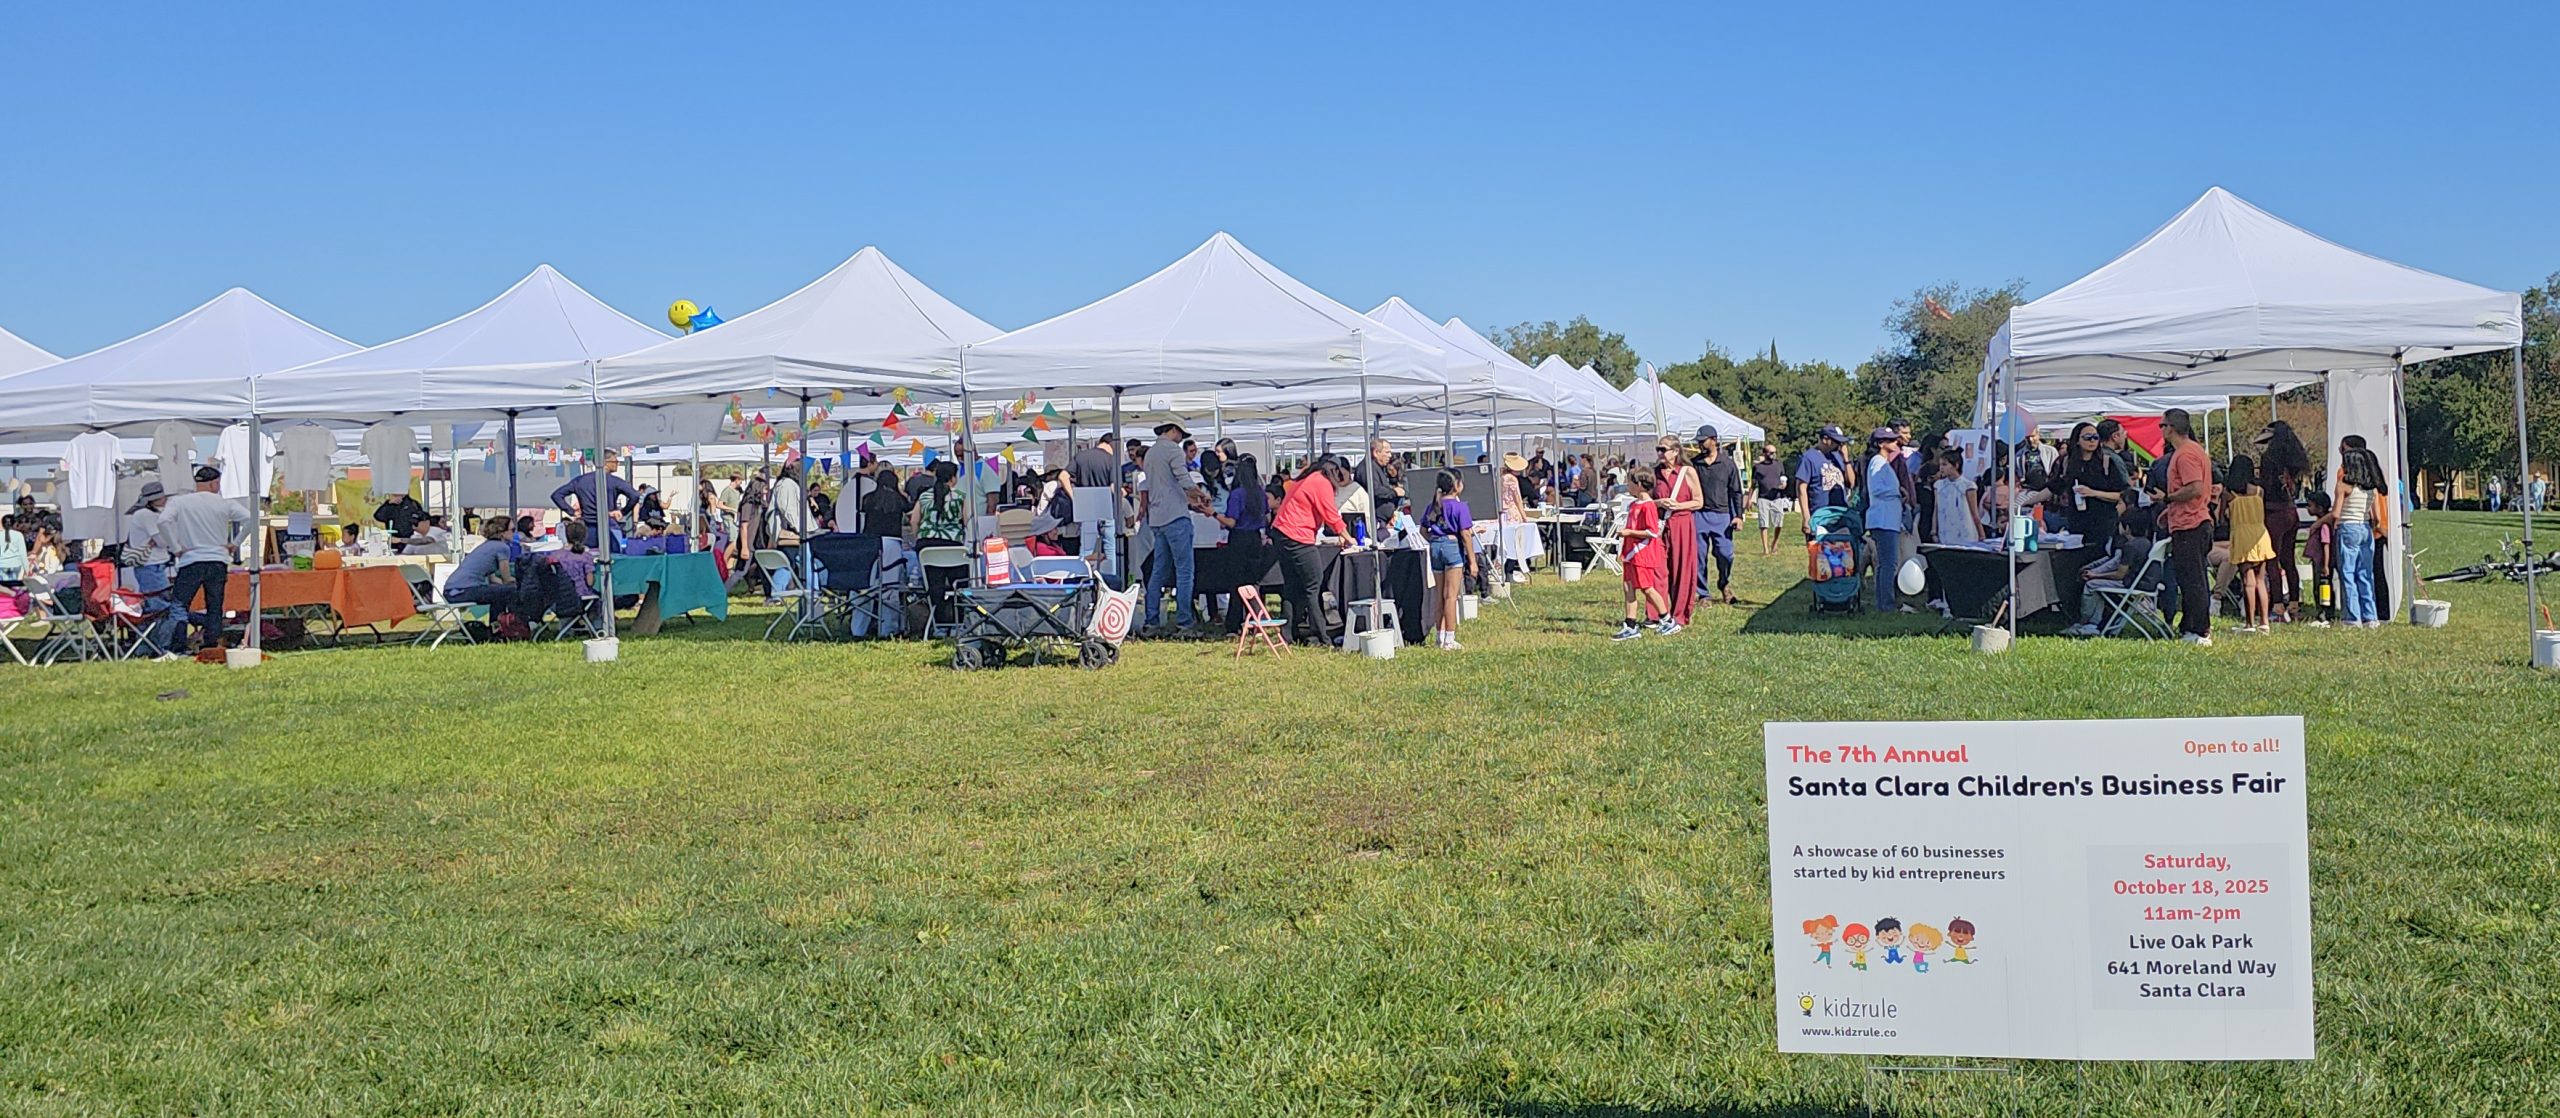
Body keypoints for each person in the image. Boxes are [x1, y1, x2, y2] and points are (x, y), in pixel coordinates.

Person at [155, 465, 254, 653]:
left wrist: (175, 547)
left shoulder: (180, 502)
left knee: (180, 604)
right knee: (214, 606)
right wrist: (235, 543)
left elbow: (163, 521)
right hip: (217, 559)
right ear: (215, 483)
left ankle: (178, 646)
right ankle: (211, 645)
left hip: (190, 558)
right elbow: (251, 518)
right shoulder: (225, 503)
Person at [1271, 456, 1354, 648]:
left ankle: (1289, 633)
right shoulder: (1321, 482)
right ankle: (1320, 637)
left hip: (1281, 534)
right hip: (1297, 536)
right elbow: (1330, 513)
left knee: (1292, 586)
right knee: (1313, 585)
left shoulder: (1306, 479)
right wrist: (1347, 536)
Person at [1136, 421, 1209, 637]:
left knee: (1158, 572)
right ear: (1174, 430)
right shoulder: (1173, 451)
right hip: (1176, 517)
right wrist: (1201, 496)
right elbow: (1184, 480)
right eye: (1180, 433)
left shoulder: (1150, 453)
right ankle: (1184, 623)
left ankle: (1152, 621)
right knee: (1185, 572)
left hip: (1157, 519)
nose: (1181, 438)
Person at [2159, 409, 2216, 645]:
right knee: (2192, 578)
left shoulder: (2185, 455)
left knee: (2193, 580)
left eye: (2162, 426)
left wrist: (2169, 498)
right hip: (2191, 520)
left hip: (2191, 524)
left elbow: (2194, 487)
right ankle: (2191, 626)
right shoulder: (2193, 450)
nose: (2161, 430)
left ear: (2171, 428)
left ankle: (2200, 630)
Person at [2333, 434, 2392, 629]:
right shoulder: (2371, 489)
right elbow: (2376, 517)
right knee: (2366, 573)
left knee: (2348, 573)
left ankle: (2352, 617)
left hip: (2347, 526)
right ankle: (2371, 616)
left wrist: (2335, 524)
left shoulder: (2344, 486)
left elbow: (2336, 513)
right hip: (2366, 528)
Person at [2254, 421, 2310, 623]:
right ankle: (2294, 603)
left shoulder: (2269, 457)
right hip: (2291, 511)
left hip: (2273, 512)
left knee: (2272, 560)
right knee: (2289, 560)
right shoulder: (2294, 459)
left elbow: (2266, 486)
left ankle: (2277, 606)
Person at [120, 482, 180, 657]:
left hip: (150, 566)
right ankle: (160, 647)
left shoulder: (144, 515)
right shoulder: (147, 515)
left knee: (154, 608)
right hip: (150, 566)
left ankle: (146, 647)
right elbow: (163, 541)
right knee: (159, 608)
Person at [1215, 453, 1272, 634]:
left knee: (1236, 584)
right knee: (1253, 582)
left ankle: (1234, 623)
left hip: (1239, 539)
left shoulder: (1237, 494)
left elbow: (1231, 522)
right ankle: (1256, 620)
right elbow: (1267, 517)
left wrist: (1214, 514)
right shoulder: (1260, 494)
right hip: (1255, 539)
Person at [1420, 470, 1476, 650]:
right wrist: (1472, 561)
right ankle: (1450, 640)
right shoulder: (1460, 507)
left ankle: (1440, 635)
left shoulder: (1433, 505)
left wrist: (1435, 540)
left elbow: (1423, 530)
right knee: (1451, 596)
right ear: (1456, 486)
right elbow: (1466, 534)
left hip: (1435, 547)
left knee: (1439, 595)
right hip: (1452, 548)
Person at [1613, 467, 1670, 641]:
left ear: (1638, 484)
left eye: (1629, 482)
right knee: (1628, 588)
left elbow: (1652, 532)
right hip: (1631, 553)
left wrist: (1629, 532)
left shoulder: (1648, 506)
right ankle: (1630, 625)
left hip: (1642, 553)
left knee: (1647, 588)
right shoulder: (1633, 504)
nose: (1627, 486)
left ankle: (1666, 619)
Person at [2052, 421, 2130, 545]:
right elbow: (2053, 487)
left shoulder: (2107, 462)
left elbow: (2121, 494)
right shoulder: (2068, 462)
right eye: (2087, 438)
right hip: (2076, 523)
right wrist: (2021, 502)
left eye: (2095, 437)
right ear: (2077, 440)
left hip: (2104, 524)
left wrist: (2092, 493)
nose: (2092, 441)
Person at [2222, 454, 2276, 634]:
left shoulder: (2228, 493)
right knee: (2261, 580)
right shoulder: (2259, 491)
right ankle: (2265, 622)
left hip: (2242, 535)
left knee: (2248, 581)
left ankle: (2250, 623)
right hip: (2261, 534)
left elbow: (2222, 517)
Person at [1691, 426, 1744, 606]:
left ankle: (1724, 582)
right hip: (1699, 514)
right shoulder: (1694, 464)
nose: (1699, 444)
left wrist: (1739, 516)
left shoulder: (1727, 464)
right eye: (1698, 441)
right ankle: (1703, 594)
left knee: (1725, 554)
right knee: (1698, 556)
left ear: (1714, 440)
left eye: (1703, 440)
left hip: (1723, 516)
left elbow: (1736, 491)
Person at [1652, 436, 1701, 629]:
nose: (1660, 454)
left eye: (1663, 449)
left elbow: (1698, 501)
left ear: (1675, 451)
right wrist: (1659, 503)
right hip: (1660, 524)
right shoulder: (1655, 473)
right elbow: (1644, 499)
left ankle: (1679, 614)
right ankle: (1657, 614)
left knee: (1682, 568)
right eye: (1658, 450)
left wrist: (1679, 505)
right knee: (1658, 569)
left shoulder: (1687, 472)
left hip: (1682, 522)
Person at [551, 449, 641, 548]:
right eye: (615, 461)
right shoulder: (614, 481)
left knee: (589, 557)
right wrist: (623, 512)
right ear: (605, 462)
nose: (617, 464)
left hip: (587, 526)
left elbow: (557, 495)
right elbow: (635, 495)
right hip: (609, 524)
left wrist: (572, 512)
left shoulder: (580, 481)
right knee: (614, 558)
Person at [1862, 428, 1908, 612]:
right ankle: (1887, 605)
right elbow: (1876, 489)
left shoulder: (1883, 463)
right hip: (1883, 519)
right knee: (1889, 563)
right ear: (1881, 444)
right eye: (1890, 440)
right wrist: (1897, 492)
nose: (1895, 443)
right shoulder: (1877, 463)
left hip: (1887, 519)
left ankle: (1883, 603)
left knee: (1884, 564)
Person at [1794, 425, 1853, 532]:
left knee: (1842, 548)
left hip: (1840, 514)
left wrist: (1846, 459)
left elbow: (1851, 483)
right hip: (1820, 515)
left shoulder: (1838, 457)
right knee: (1821, 548)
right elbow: (1801, 488)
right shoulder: (1809, 458)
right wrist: (1806, 517)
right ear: (1825, 439)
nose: (1840, 445)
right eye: (1837, 441)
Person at [1930, 450, 1980, 546]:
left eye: (1945, 465)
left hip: (1965, 531)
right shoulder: (1938, 485)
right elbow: (1936, 508)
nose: (1941, 468)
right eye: (1940, 465)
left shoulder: (1968, 485)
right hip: (1945, 531)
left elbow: (1974, 512)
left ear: (1956, 465)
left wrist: (1981, 534)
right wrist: (1934, 531)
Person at [2303, 490, 2337, 627]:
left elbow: (2326, 545)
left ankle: (2324, 613)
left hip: (2322, 562)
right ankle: (2324, 612)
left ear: (2320, 508)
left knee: (2322, 587)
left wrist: (2326, 565)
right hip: (2319, 561)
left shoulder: (2323, 526)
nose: (2308, 508)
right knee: (2320, 587)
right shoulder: (2320, 523)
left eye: (2310, 506)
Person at [1752, 444, 1789, 555]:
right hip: (1763, 498)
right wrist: (1748, 499)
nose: (1774, 455)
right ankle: (1766, 550)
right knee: (1764, 523)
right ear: (1765, 453)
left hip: (1777, 497)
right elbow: (1753, 484)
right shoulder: (1758, 467)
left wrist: (1784, 485)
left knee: (1779, 523)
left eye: (1775, 452)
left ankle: (1774, 544)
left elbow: (1783, 478)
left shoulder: (1779, 465)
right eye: (1771, 452)